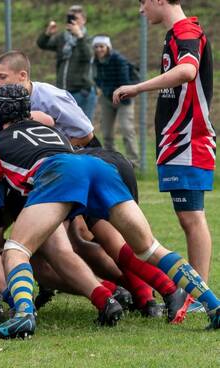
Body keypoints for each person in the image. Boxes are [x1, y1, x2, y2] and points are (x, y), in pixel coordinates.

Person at [0, 84, 220, 338]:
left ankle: (24, 316)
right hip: (98, 166)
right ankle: (213, 305)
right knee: (150, 248)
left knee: (15, 250)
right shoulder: (51, 131)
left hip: (59, 174)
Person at [113, 0, 215, 297]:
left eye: (143, 2)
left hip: (188, 138)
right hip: (177, 139)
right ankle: (198, 290)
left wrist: (137, 87)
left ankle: (200, 293)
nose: (141, 10)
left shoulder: (186, 31)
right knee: (188, 217)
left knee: (192, 217)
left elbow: (187, 71)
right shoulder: (174, 34)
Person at [0, 50, 96, 147]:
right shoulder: (4, 100)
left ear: (23, 76)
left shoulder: (51, 97)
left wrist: (54, 155)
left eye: (2, 77)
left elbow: (86, 134)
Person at [37, 5, 96, 120]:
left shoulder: (89, 39)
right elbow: (42, 44)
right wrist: (47, 34)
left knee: (84, 130)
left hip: (82, 92)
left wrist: (79, 36)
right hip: (63, 92)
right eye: (70, 18)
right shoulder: (62, 38)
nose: (72, 21)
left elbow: (88, 56)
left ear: (84, 20)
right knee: (65, 128)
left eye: (76, 18)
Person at [92, 35, 139, 167]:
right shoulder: (95, 61)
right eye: (96, 47)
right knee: (106, 132)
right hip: (107, 97)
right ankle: (111, 160)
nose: (99, 49)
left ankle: (133, 162)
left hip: (123, 98)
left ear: (108, 47)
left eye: (102, 46)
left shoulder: (119, 60)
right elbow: (96, 78)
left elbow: (124, 80)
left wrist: (120, 95)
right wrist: (103, 89)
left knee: (126, 129)